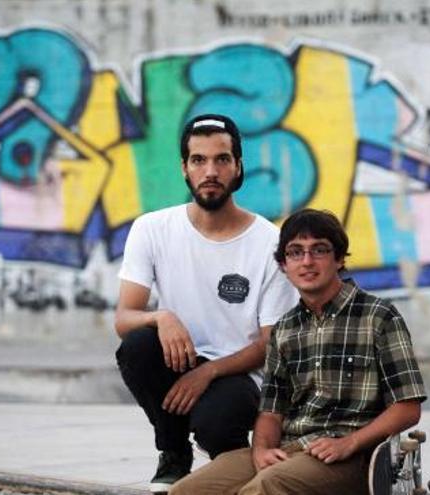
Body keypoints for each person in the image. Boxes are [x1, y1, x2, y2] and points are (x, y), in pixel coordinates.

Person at [169, 209, 427, 495]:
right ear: (283, 265)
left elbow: (408, 407)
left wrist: (348, 444)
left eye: (319, 250)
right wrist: (262, 450)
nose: (307, 262)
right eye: (295, 252)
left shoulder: (379, 316)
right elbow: (271, 411)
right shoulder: (284, 329)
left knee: (266, 486)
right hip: (289, 448)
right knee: (187, 490)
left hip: (353, 456)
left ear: (339, 259)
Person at [114, 114, 298, 494]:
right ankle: (174, 453)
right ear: (184, 168)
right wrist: (161, 316)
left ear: (238, 166)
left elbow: (270, 344)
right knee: (137, 346)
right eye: (198, 160)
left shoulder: (269, 242)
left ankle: (232, 468)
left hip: (241, 373)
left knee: (219, 419)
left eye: (221, 159)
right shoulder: (152, 229)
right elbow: (124, 318)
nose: (210, 171)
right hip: (178, 357)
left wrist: (208, 373)